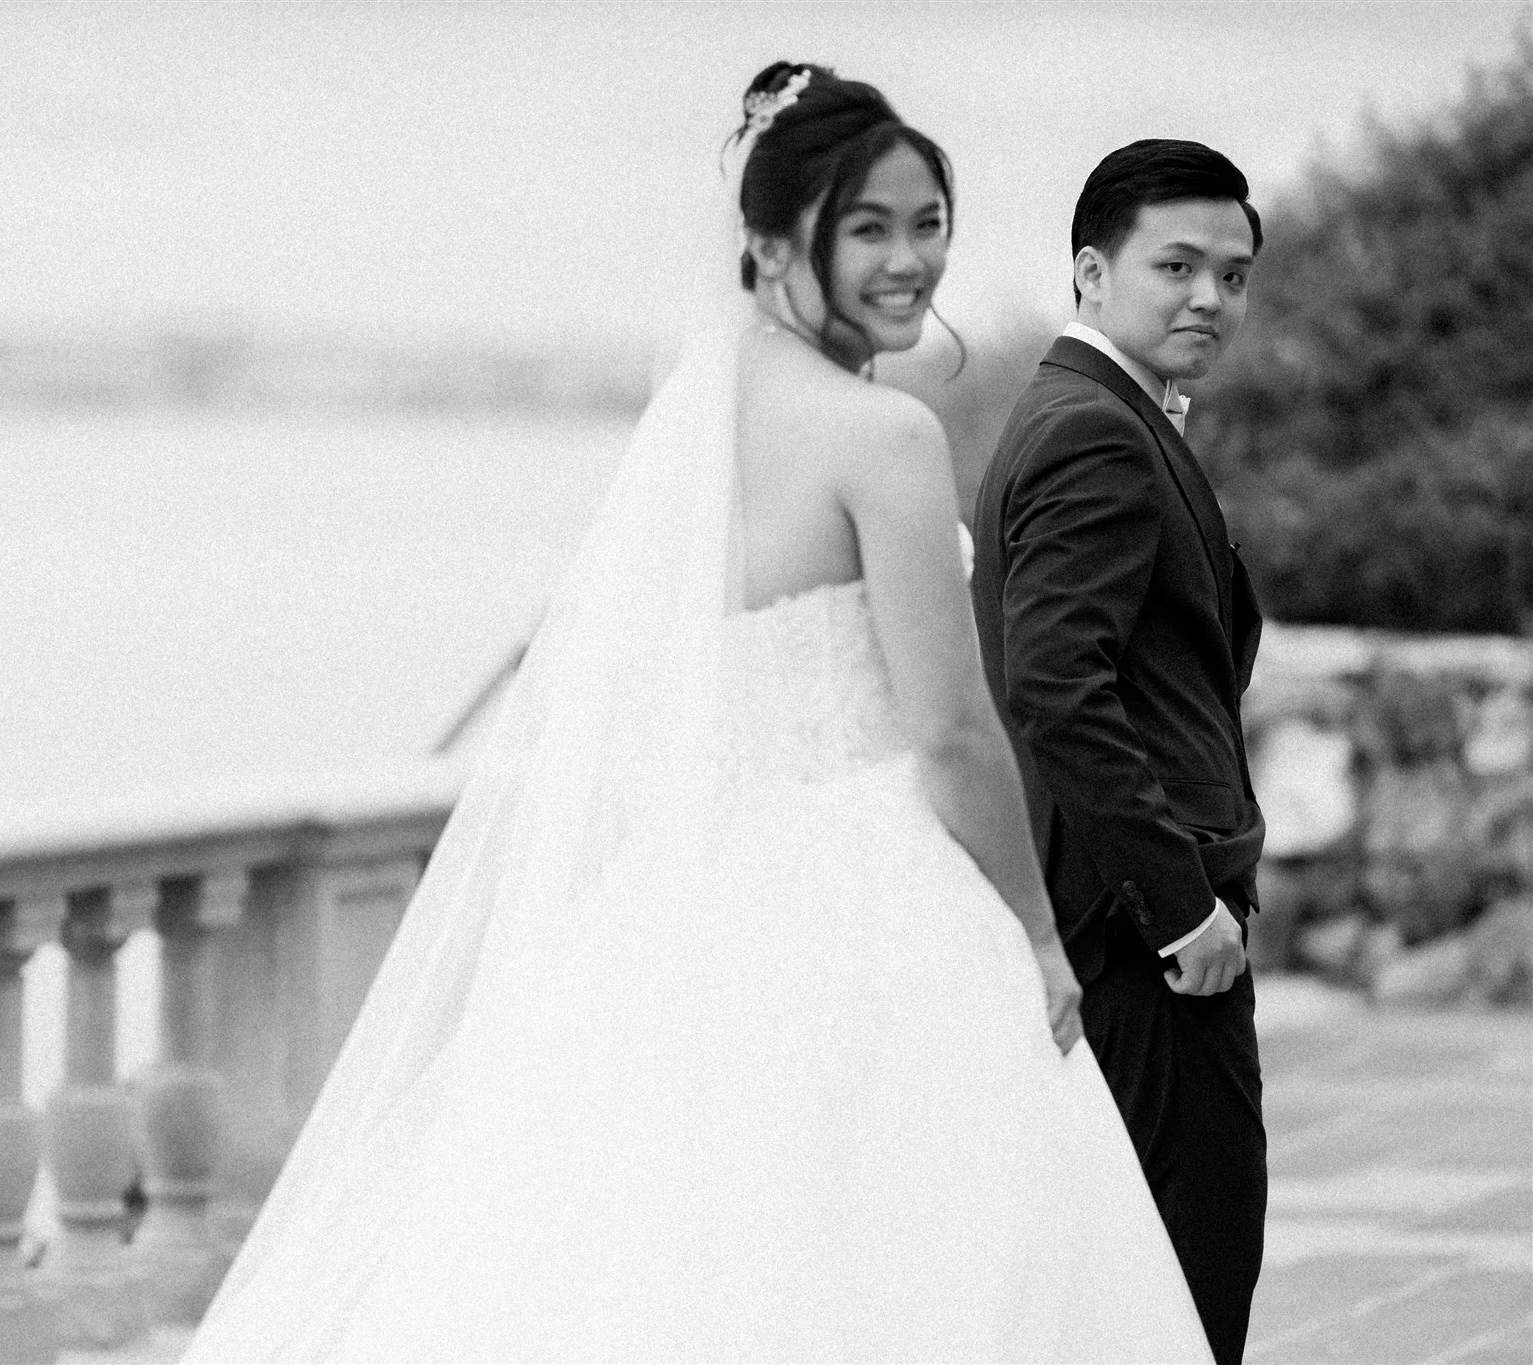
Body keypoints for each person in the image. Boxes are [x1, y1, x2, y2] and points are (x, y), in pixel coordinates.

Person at [184, 66, 1211, 1363]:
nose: (910, 261)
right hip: (870, 890)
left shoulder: (693, 427)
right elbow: (952, 733)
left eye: (928, 223)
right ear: (772, 245)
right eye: (868, 229)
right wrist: (1036, 936)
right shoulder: (881, 436)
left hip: (693, 893)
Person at [969, 140, 1267, 1365]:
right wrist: (1178, 905)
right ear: (1090, 272)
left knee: (1139, 1279)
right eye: (1176, 266)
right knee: (1187, 1277)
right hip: (1138, 936)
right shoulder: (1093, 433)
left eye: (1232, 275)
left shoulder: (1100, 415)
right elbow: (1054, 688)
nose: (1209, 298)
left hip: (1123, 922)